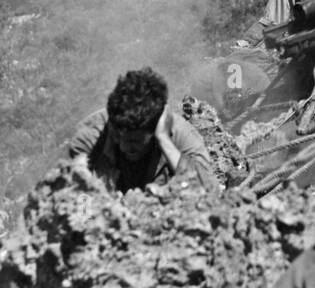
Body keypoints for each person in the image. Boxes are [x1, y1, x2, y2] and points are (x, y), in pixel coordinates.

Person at [66, 67, 220, 194]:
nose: (128, 147)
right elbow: (63, 190)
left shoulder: (179, 134)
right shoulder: (93, 135)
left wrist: (164, 140)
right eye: (123, 138)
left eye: (137, 141)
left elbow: (210, 191)